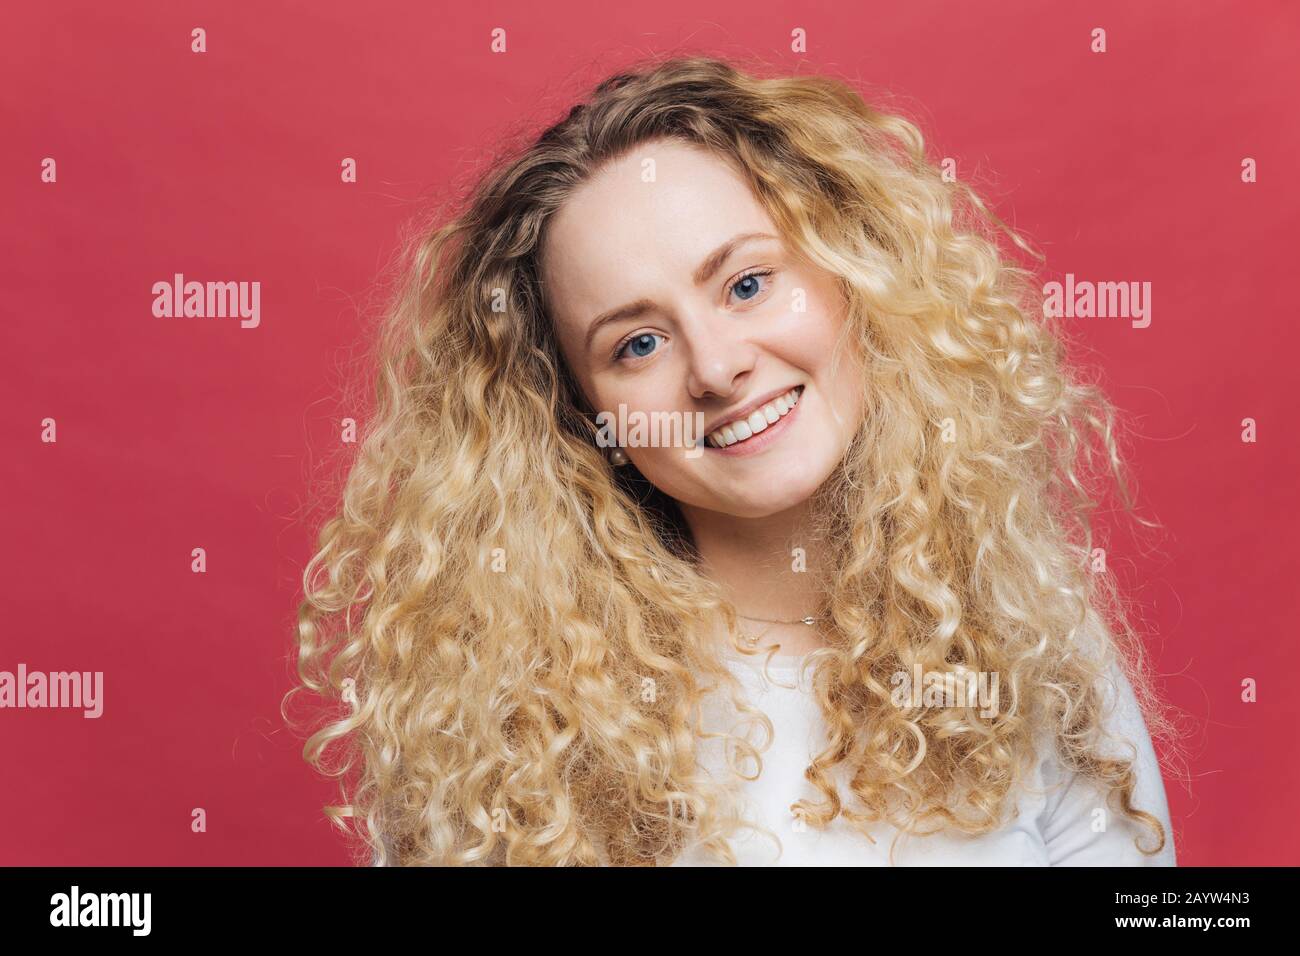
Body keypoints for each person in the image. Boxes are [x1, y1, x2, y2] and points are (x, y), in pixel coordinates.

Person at [286, 54, 1180, 866]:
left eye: (748, 284)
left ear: (852, 272)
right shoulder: (512, 737)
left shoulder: (1025, 636)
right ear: (579, 416)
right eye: (637, 343)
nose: (717, 368)